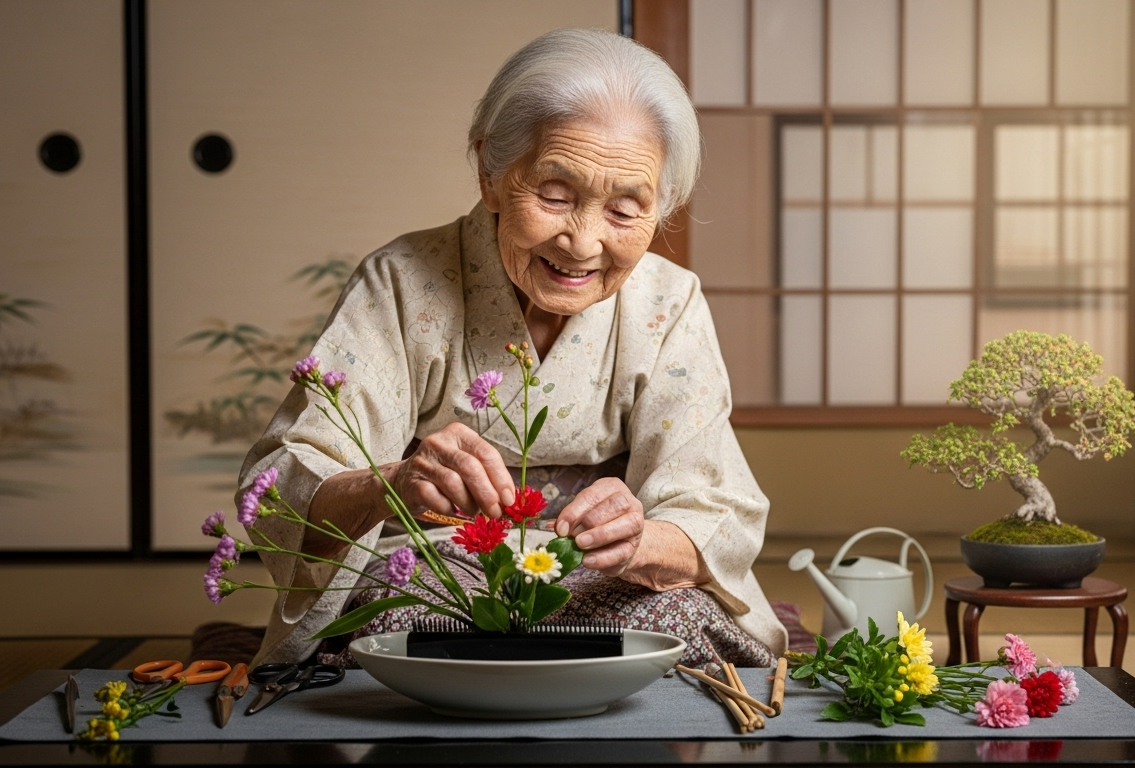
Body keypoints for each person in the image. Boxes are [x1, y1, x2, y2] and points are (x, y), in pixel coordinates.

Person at [240, 28, 785, 667]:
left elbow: (713, 507)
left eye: (624, 209)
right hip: (436, 572)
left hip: (605, 583)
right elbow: (281, 481)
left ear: (660, 208)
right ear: (491, 174)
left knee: (681, 624)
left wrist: (636, 540)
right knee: (421, 627)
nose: (582, 243)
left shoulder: (670, 302)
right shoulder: (401, 280)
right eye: (555, 196)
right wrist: (397, 482)